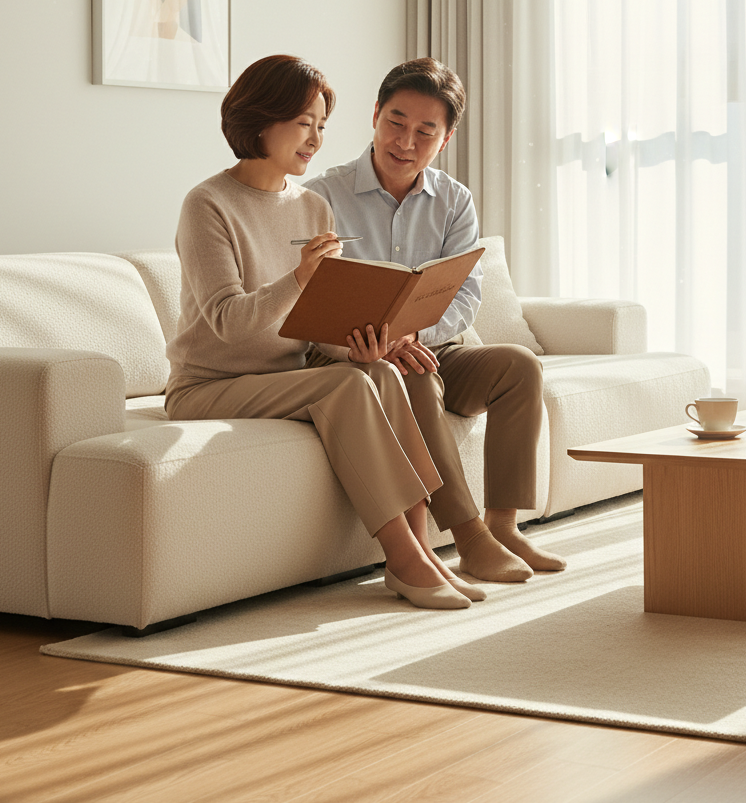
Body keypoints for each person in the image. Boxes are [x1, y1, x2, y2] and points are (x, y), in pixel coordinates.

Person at [164, 54, 484, 610]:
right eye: (303, 124)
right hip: (210, 383)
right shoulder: (208, 204)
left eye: (321, 126)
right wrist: (300, 277)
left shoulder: (312, 207)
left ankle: (423, 548)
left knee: (377, 372)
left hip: (287, 375)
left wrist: (364, 344)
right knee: (344, 386)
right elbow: (227, 321)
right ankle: (402, 559)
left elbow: (314, 330)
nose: (315, 140)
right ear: (262, 120)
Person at [304, 58, 566, 582]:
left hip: (436, 345)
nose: (405, 141)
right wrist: (384, 341)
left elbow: (466, 292)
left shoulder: (453, 200)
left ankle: (505, 526)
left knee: (519, 367)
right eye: (395, 122)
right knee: (415, 374)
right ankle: (469, 538)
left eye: (426, 131)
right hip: (360, 357)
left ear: (444, 140)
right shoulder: (321, 196)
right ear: (375, 115)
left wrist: (417, 333)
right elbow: (313, 298)